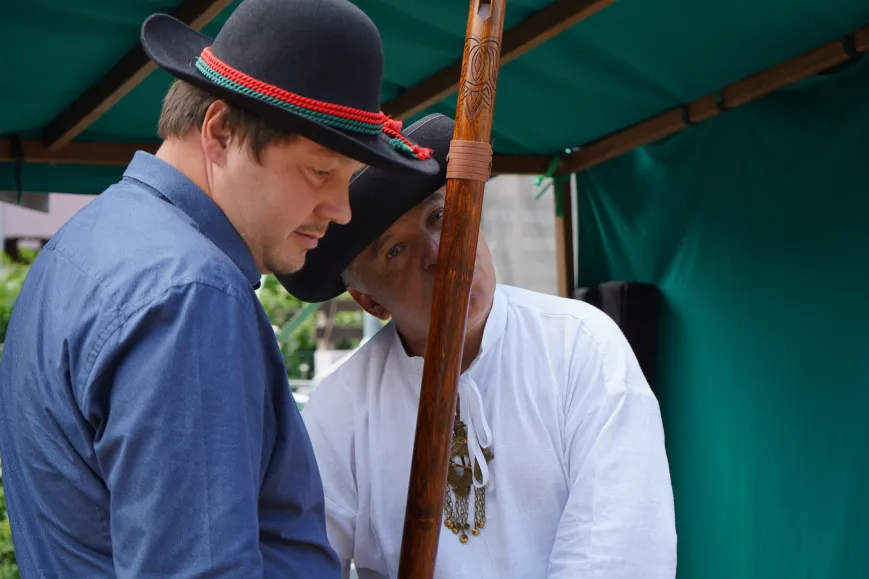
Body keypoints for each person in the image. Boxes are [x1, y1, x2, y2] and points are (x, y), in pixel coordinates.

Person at [0, 0, 439, 577]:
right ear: (221, 133)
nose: (340, 209)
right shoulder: (191, 292)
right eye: (320, 170)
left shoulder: (83, 244)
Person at [277, 113, 678, 578]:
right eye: (395, 250)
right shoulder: (341, 407)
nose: (437, 252)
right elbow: (302, 562)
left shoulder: (580, 347)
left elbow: (617, 557)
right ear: (369, 301)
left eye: (439, 216)